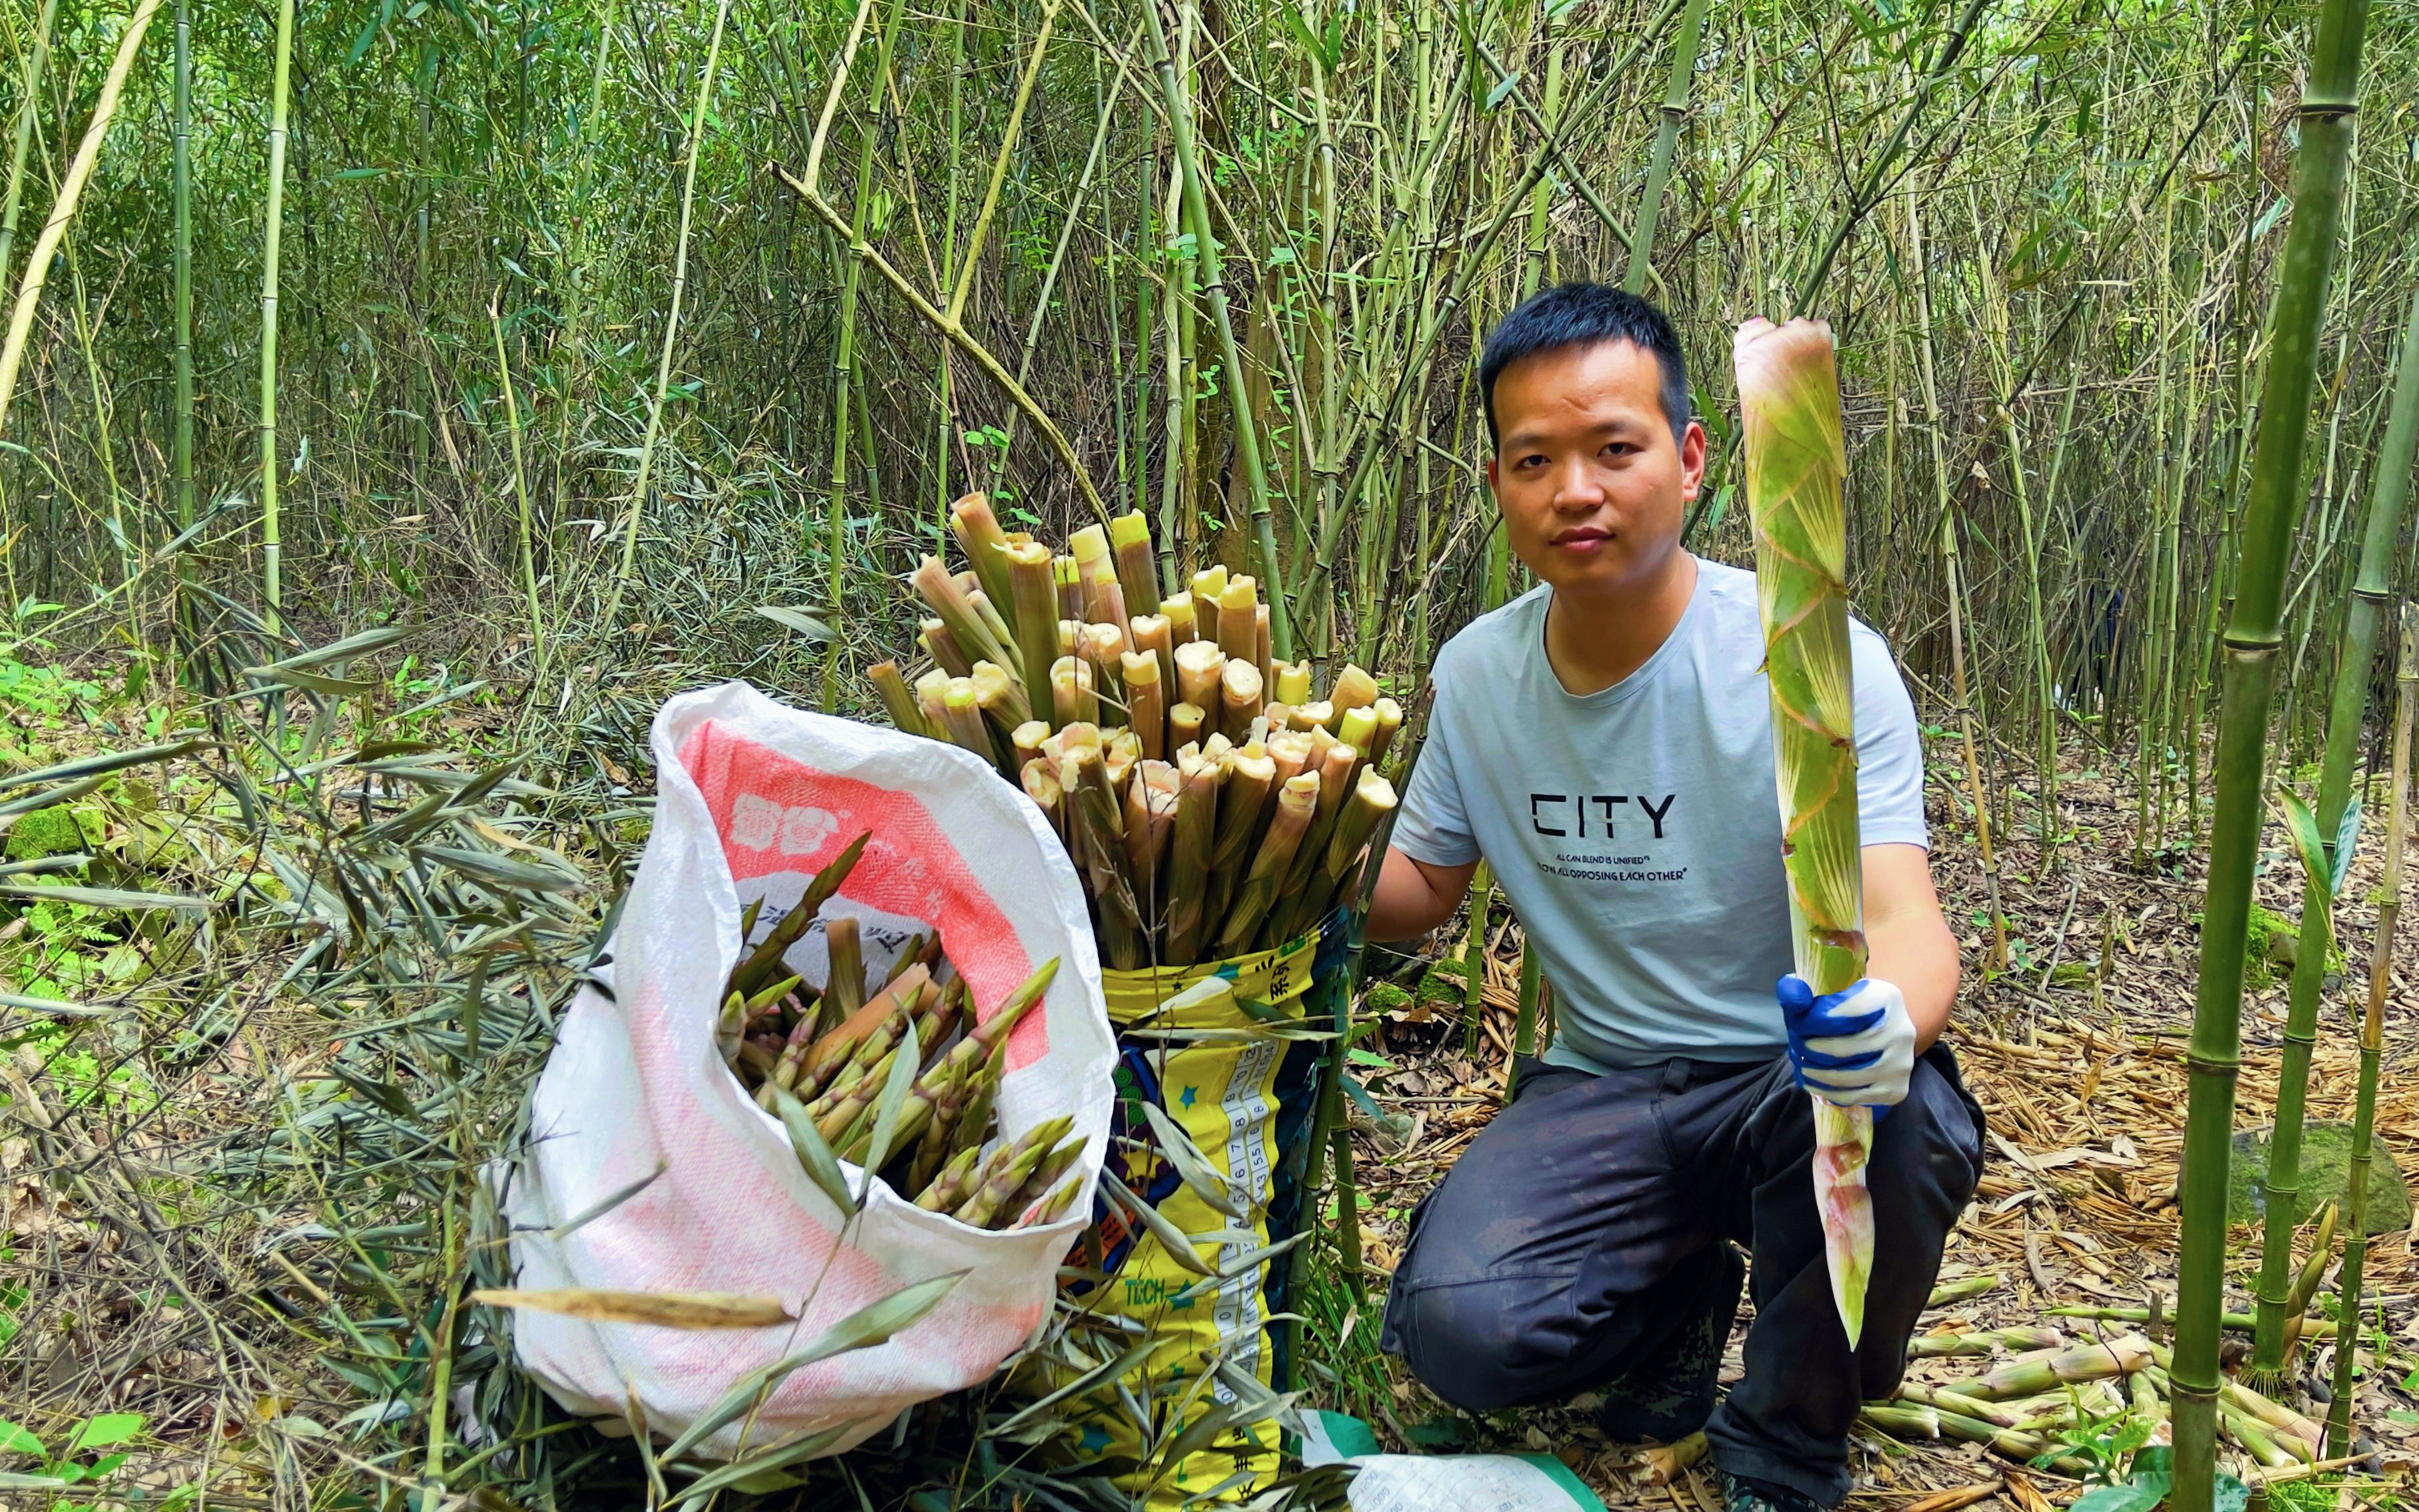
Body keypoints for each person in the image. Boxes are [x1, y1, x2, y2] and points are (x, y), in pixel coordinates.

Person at [1366, 283, 1984, 1512]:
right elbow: (1414, 895)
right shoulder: (1480, 674)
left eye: (1615, 449)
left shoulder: (1808, 651)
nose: (1575, 491)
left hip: (1788, 1075)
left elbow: (1906, 916)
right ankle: (1673, 1312)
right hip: (1609, 1086)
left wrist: (1890, 1022)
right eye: (1533, 459)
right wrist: (1274, 819)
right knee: (1460, 1330)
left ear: (1693, 458)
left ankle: (1789, 1434)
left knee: (1906, 1119)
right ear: (1497, 482)